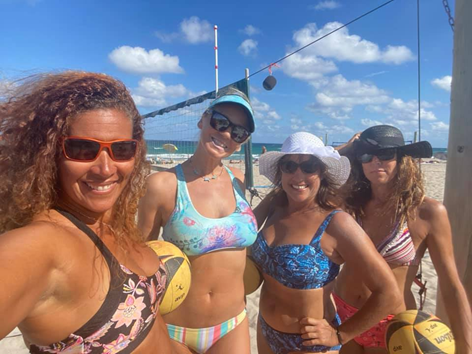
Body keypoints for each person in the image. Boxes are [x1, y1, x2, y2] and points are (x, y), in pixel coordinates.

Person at [0, 72, 174, 353]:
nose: (105, 168)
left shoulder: (112, 220)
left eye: (122, 149)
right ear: (49, 152)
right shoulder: (39, 245)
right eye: (82, 149)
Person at [251, 132, 403, 354]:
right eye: (289, 166)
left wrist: (340, 334)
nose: (298, 174)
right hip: (265, 330)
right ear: (280, 170)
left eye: (310, 166)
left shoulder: (336, 222)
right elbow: (242, 232)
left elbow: (389, 292)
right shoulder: (275, 203)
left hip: (307, 345)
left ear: (322, 171)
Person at [138, 88, 258, 354]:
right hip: (175, 327)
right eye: (221, 122)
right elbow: (139, 255)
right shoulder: (162, 185)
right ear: (202, 119)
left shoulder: (238, 179)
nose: (226, 134)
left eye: (238, 133)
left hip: (233, 323)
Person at [335, 125, 472, 353]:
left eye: (386, 154)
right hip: (343, 313)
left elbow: (451, 285)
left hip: (391, 323)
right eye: (367, 155)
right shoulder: (350, 204)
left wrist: (466, 347)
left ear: (402, 158)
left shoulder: (427, 212)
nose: (375, 161)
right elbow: (315, 170)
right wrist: (347, 149)